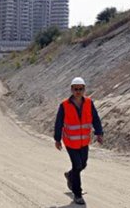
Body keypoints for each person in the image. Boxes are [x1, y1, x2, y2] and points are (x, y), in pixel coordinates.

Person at [54, 77, 103, 205]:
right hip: (70, 142)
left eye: (80, 89)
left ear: (84, 89)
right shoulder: (64, 105)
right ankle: (77, 194)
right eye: (76, 89)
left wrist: (99, 133)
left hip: (84, 141)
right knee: (77, 165)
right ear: (71, 89)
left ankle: (70, 175)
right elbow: (58, 123)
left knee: (83, 165)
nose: (78, 91)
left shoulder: (89, 102)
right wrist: (57, 139)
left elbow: (95, 118)